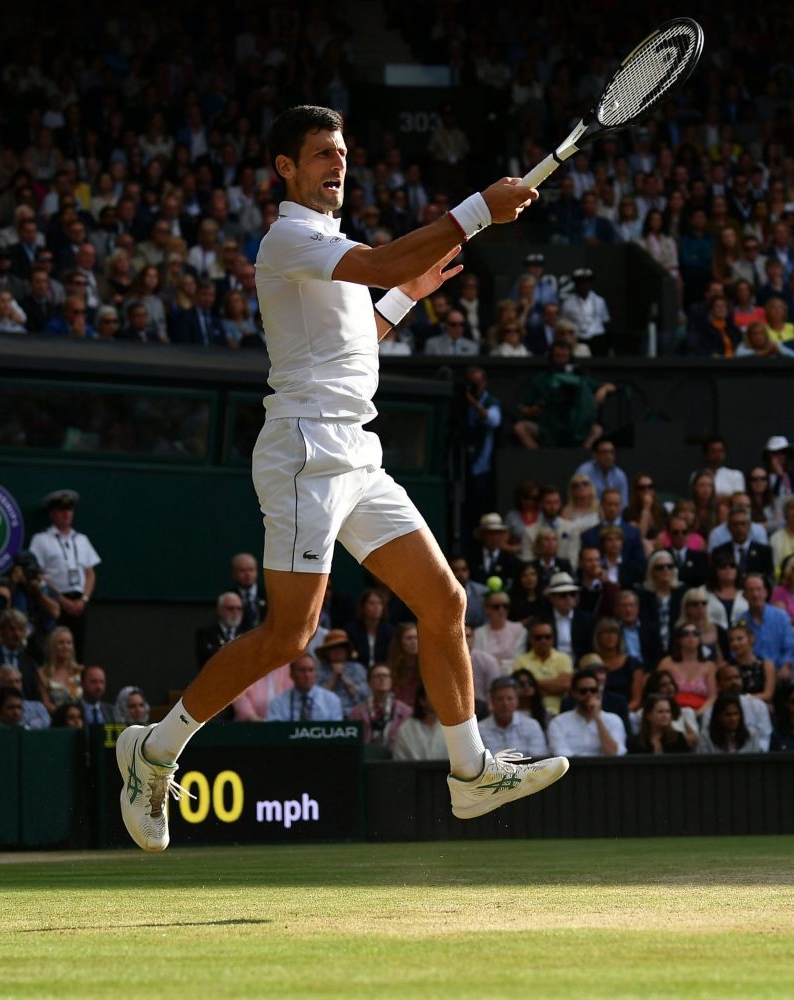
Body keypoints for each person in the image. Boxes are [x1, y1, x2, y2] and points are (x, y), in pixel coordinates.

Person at [111, 104, 563, 850]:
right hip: (304, 454)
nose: (338, 164)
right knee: (291, 635)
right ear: (286, 169)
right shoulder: (290, 237)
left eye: (343, 152)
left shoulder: (329, 249)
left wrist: (401, 301)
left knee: (445, 601)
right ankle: (154, 750)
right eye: (323, 153)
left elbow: (355, 336)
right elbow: (385, 259)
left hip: (358, 453)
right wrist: (481, 206)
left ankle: (470, 772)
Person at [28, 489, 101, 656]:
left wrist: (83, 599)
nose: (66, 514)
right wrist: (61, 600)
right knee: (54, 647)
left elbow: (90, 573)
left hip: (79, 602)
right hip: (56, 603)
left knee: (77, 648)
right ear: (52, 513)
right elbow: (39, 574)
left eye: (69, 510)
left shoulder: (82, 539)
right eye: (62, 510)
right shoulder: (41, 540)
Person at [546, 667, 627, 756]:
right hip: (573, 768)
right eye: (583, 691)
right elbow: (560, 752)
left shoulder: (614, 720)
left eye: (593, 690)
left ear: (599, 692)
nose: (589, 694)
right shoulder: (559, 722)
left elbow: (614, 753)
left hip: (605, 769)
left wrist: (598, 719)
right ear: (574, 693)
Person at [480, 677, 549, 758]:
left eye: (510, 698)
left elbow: (539, 760)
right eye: (500, 699)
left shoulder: (531, 726)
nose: (505, 703)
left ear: (517, 701)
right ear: (491, 701)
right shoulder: (479, 729)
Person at [350, 662, 412, 750]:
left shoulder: (405, 712)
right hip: (366, 757)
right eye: (377, 676)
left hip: (396, 757)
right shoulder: (357, 712)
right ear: (369, 682)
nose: (382, 679)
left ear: (391, 681)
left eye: (386, 676)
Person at [265, 655, 343, 721]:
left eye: (311, 670)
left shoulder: (331, 700)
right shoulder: (279, 703)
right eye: (301, 671)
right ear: (291, 674)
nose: (307, 675)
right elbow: (273, 733)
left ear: (316, 674)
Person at [628, 693, 694, 754]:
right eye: (660, 712)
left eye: (668, 711)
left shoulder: (678, 738)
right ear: (649, 715)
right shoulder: (636, 742)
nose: (665, 715)